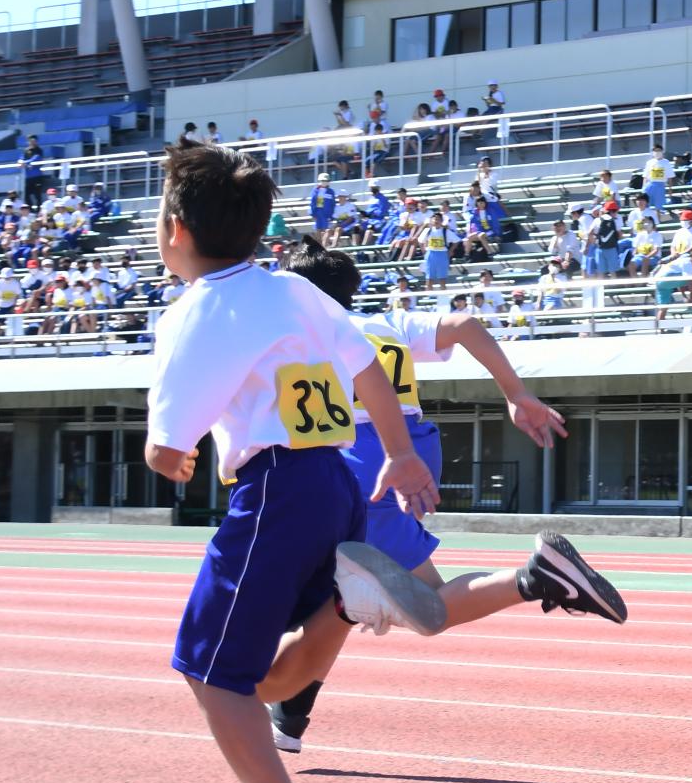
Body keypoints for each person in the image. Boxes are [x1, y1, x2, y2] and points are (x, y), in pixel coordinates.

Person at [143, 143, 444, 783]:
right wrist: (401, 454)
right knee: (260, 680)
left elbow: (167, 442)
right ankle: (346, 606)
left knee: (209, 669)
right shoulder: (295, 291)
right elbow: (368, 365)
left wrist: (169, 457)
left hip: (275, 487)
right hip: (336, 479)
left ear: (176, 229)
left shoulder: (194, 312)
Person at [263, 237, 623, 755]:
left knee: (417, 607)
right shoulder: (388, 324)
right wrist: (515, 394)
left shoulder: (308, 334)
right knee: (348, 589)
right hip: (411, 449)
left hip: (364, 459)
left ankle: (533, 577)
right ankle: (291, 712)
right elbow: (467, 325)